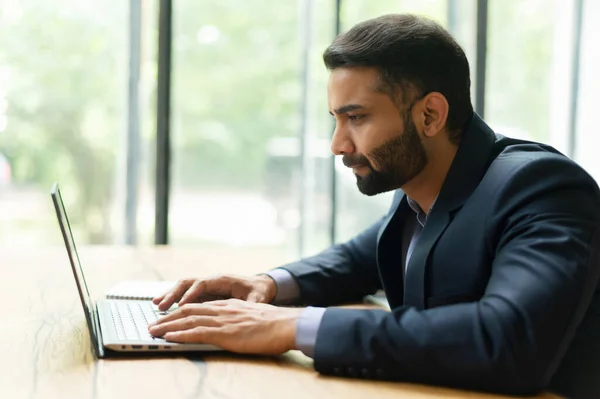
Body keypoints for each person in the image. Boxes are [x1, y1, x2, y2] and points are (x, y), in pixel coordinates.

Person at [148, 14, 600, 397]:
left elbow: (509, 339)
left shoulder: (539, 187)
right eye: (337, 119)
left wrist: (292, 327)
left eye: (357, 118)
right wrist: (266, 285)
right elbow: (360, 258)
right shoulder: (423, 185)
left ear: (430, 115)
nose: (337, 145)